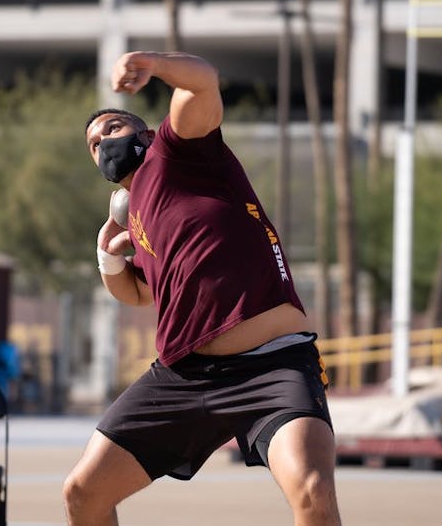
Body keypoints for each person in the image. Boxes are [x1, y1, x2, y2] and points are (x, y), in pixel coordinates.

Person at [65, 51, 341, 525]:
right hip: (185, 375)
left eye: (111, 129)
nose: (103, 144)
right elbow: (140, 294)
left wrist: (150, 63)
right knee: (82, 493)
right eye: (93, 145)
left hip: (272, 367)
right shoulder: (137, 215)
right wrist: (109, 258)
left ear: (145, 133)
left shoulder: (178, 151)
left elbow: (203, 83)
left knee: (312, 491)